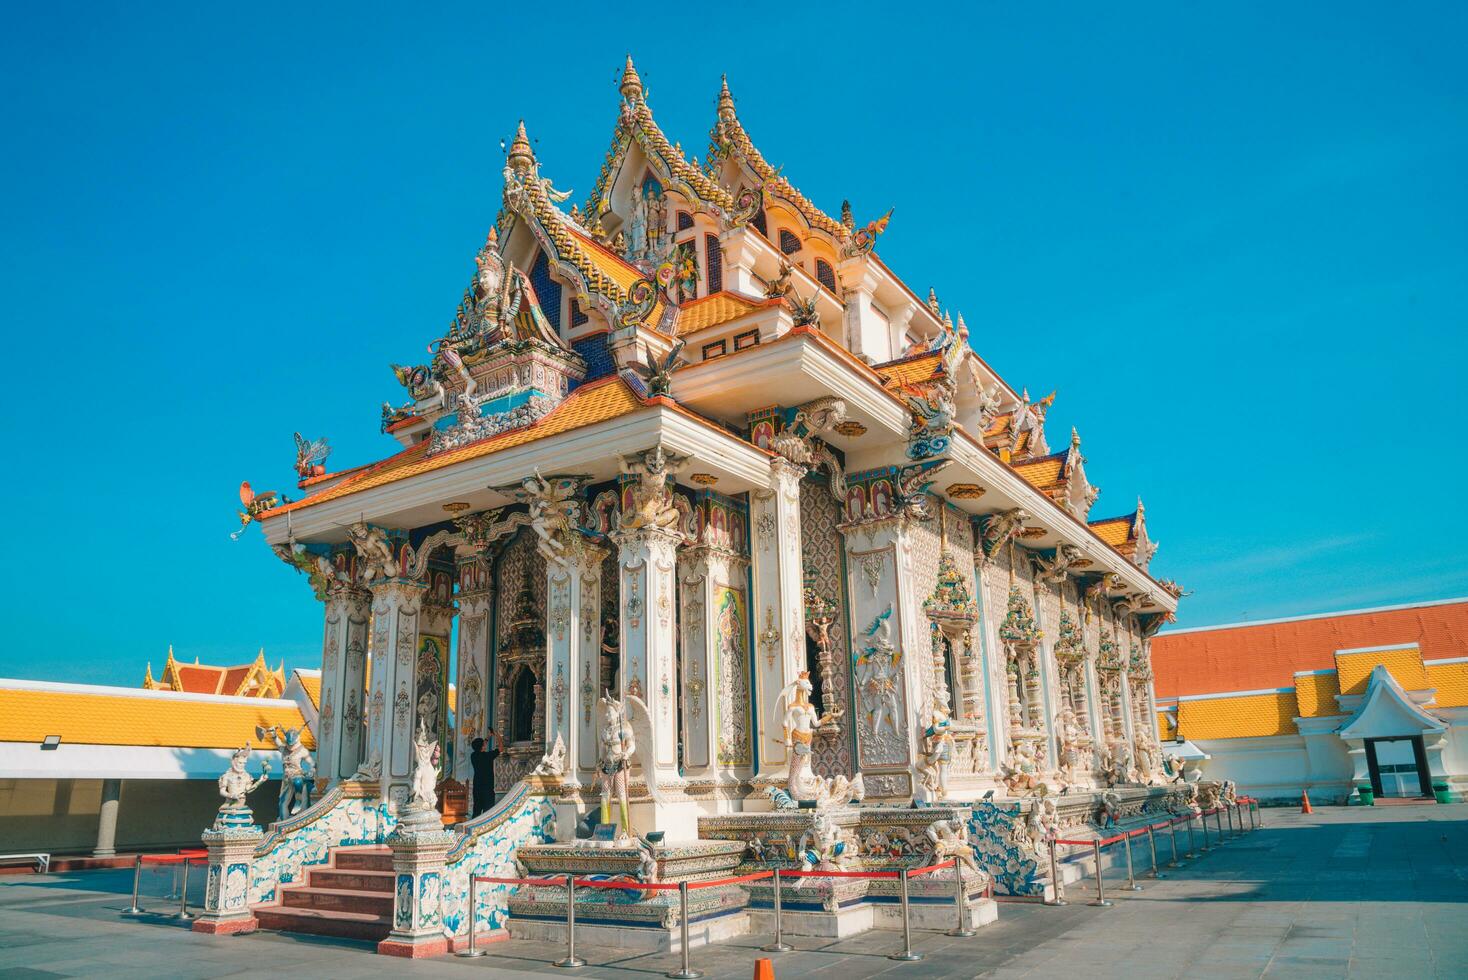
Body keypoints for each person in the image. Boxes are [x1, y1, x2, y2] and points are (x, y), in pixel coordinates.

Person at [470, 729, 502, 817]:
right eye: (484, 744)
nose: (485, 745)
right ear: (482, 747)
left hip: (477, 787)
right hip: (487, 787)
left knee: (476, 810)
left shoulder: (473, 756)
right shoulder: (488, 756)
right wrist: (497, 735)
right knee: (488, 812)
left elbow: (481, 745)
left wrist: (488, 736)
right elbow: (500, 748)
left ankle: (474, 827)